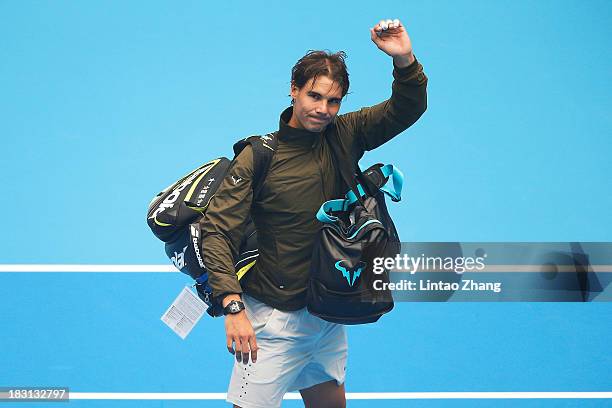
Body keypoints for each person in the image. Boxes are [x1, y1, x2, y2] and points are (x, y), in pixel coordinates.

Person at [200, 17, 428, 408]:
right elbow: (216, 232)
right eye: (314, 96)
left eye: (333, 101)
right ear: (294, 91)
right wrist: (232, 306)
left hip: (327, 311)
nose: (323, 109)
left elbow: (406, 107)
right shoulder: (259, 157)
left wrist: (404, 58)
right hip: (273, 322)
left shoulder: (345, 133)